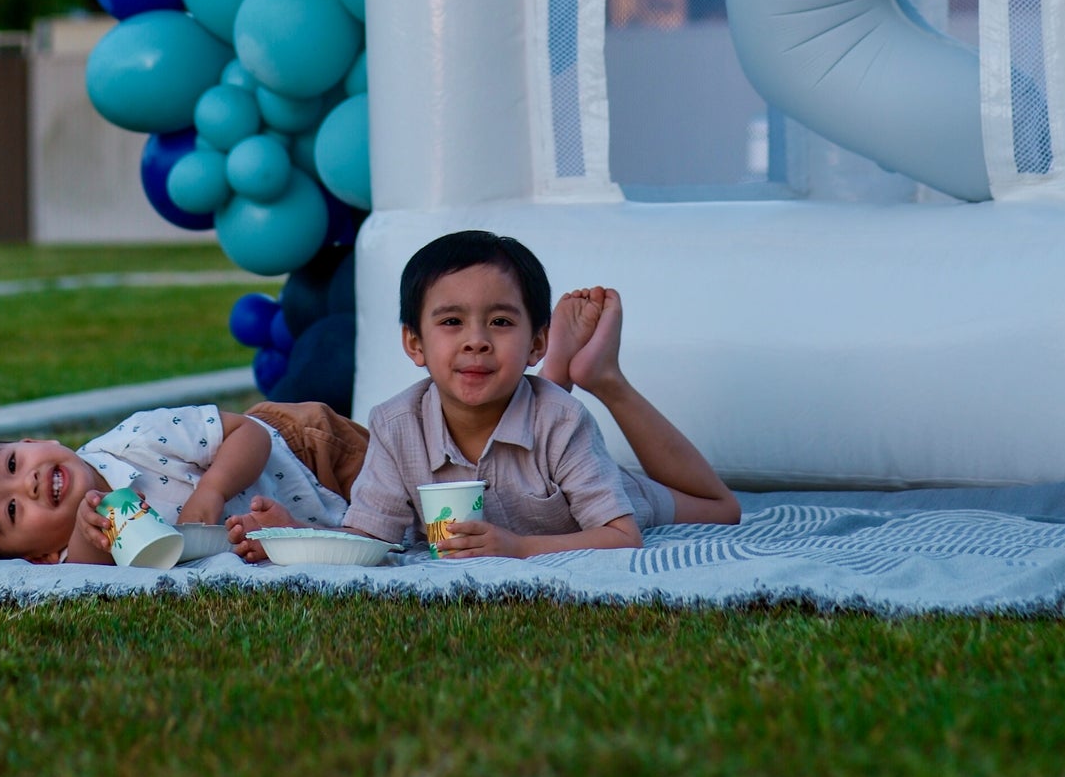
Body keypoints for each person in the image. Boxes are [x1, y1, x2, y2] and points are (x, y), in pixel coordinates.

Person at [228, 229, 739, 560]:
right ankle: (554, 372)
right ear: (414, 343)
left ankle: (604, 377)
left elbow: (623, 538)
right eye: (451, 322)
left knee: (723, 509)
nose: (475, 338)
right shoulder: (395, 424)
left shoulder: (565, 423)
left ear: (533, 339)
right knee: (525, 397)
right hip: (535, 430)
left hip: (588, 492)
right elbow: (373, 542)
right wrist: (293, 536)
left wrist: (516, 548)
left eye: (500, 321)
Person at [0, 397, 368, 565]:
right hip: (291, 520)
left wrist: (213, 489)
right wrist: (85, 535)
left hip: (306, 452)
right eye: (11, 510)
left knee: (412, 486)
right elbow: (86, 578)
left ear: (37, 440)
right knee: (380, 542)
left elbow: (247, 433)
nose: (27, 484)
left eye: (12, 463)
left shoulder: (137, 439)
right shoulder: (82, 553)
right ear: (40, 558)